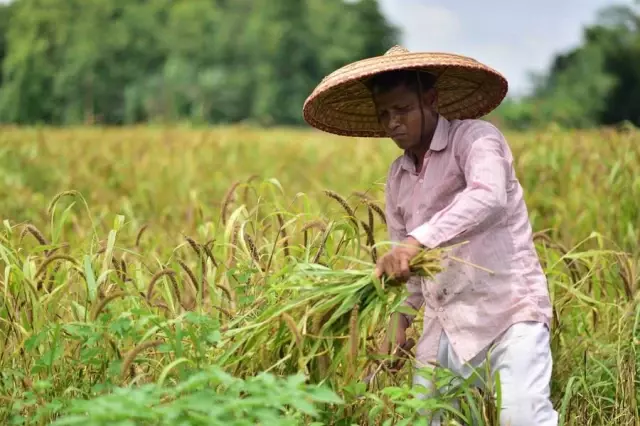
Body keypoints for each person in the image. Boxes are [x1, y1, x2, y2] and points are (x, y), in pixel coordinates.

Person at [303, 46, 558, 425]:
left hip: (507, 314)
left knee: (520, 417)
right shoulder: (398, 177)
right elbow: (409, 275)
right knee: (422, 417)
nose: (392, 123)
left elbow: (487, 195)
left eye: (402, 110)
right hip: (446, 326)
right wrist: (398, 328)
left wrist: (416, 241)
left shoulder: (475, 139)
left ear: (431, 99)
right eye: (384, 114)